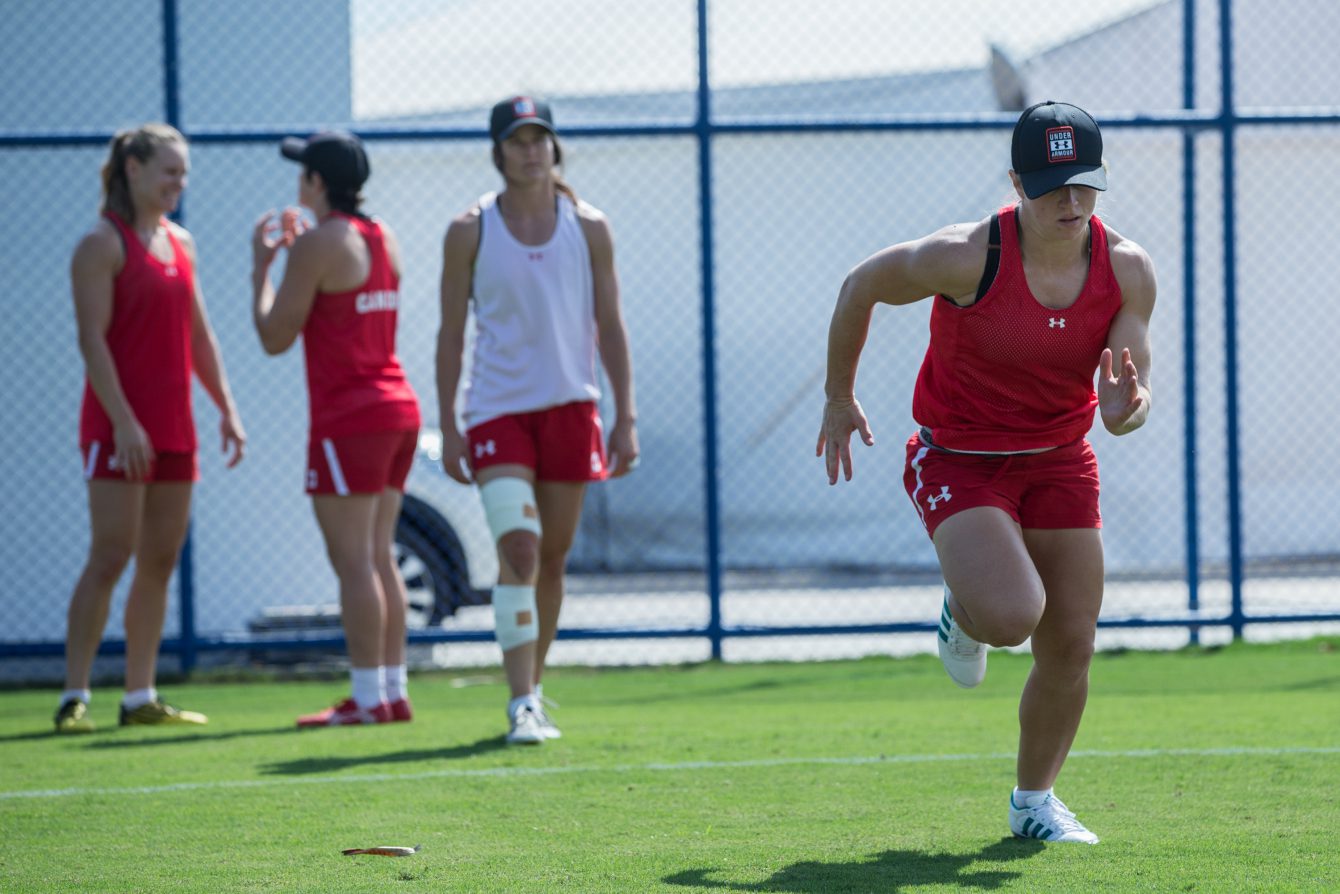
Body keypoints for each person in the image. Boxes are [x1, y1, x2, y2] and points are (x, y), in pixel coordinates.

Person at [817, 101, 1156, 843]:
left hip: (1061, 458)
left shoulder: (1127, 269)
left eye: (1085, 185)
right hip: (960, 458)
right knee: (1009, 615)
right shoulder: (969, 255)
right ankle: (964, 608)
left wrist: (1127, 408)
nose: (1070, 203)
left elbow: (1130, 400)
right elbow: (859, 285)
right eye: (1051, 186)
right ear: (1015, 182)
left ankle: (1033, 804)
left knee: (1070, 640)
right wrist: (839, 397)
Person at [436, 96, 639, 745]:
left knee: (551, 559)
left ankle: (536, 688)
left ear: (554, 148)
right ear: (498, 151)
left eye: (540, 138)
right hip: (496, 412)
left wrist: (624, 414)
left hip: (571, 407)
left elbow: (610, 324)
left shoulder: (590, 225)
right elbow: (449, 333)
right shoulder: (468, 229)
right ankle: (520, 701)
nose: (530, 149)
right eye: (517, 140)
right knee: (518, 550)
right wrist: (448, 420)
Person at [57, 123, 247, 734]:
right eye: (169, 171)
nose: (179, 183)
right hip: (118, 430)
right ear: (132, 169)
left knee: (160, 560)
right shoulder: (99, 244)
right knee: (111, 555)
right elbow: (92, 341)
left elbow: (199, 337)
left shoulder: (182, 244)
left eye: (183, 173)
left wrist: (227, 407)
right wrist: (124, 423)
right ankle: (74, 694)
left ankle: (140, 695)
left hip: (175, 429)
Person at [251, 131, 422, 727]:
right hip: (398, 406)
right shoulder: (383, 234)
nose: (298, 184)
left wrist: (261, 269)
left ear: (317, 184)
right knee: (379, 557)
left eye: (304, 174)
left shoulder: (318, 244)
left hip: (350, 417)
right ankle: (391, 693)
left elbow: (274, 336)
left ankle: (368, 699)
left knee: (354, 561)